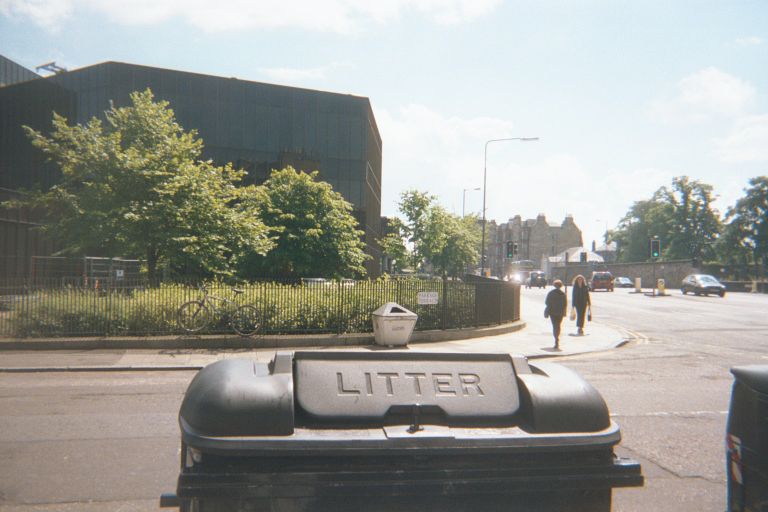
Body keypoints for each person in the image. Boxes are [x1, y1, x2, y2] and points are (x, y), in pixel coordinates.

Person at [544, 279, 567, 349]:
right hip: (560, 313)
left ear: (554, 285)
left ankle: (556, 339)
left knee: (555, 325)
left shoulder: (551, 293)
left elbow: (547, 302)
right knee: (558, 325)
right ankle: (557, 337)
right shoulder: (563, 294)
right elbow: (565, 304)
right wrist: (564, 312)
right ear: (561, 286)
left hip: (552, 312)